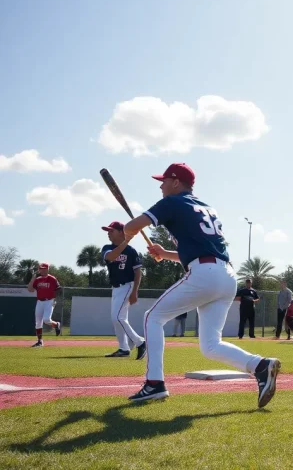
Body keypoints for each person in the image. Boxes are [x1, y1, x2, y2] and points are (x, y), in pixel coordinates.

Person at [122, 162, 280, 405]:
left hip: (205, 273)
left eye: (164, 181)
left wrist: (127, 231)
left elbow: (131, 226)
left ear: (176, 182)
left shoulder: (172, 202)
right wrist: (165, 253)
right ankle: (260, 365)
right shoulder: (207, 207)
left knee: (152, 317)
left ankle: (154, 383)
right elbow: (202, 250)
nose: (161, 186)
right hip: (226, 275)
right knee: (210, 345)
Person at [101, 221, 146, 359]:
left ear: (121, 232)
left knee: (117, 317)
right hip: (116, 287)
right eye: (108, 231)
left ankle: (140, 342)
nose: (108, 233)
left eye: (111, 231)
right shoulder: (107, 247)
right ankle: (124, 348)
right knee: (117, 319)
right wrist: (126, 241)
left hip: (127, 285)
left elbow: (138, 272)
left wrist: (135, 291)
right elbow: (111, 257)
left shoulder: (131, 251)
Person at [26, 263, 62, 347]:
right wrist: (33, 278)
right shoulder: (37, 279)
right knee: (38, 322)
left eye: (44, 268)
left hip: (49, 301)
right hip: (40, 301)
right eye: (41, 269)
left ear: (47, 269)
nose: (42, 270)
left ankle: (56, 324)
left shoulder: (52, 278)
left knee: (46, 319)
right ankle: (39, 341)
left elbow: (58, 289)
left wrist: (54, 298)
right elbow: (30, 289)